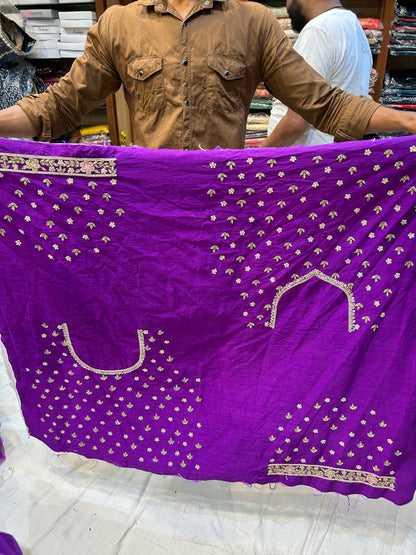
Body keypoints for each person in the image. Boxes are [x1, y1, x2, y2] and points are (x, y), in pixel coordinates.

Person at [0, 0, 416, 149]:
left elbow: (323, 104)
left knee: (227, 329)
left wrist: (407, 121)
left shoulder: (253, 22)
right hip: (151, 208)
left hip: (226, 210)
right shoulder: (118, 25)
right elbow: (57, 106)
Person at [263, 0, 373, 147]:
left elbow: (297, 120)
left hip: (304, 159)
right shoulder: (353, 24)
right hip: (331, 155)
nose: (287, 6)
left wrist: (259, 156)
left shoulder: (318, 30)